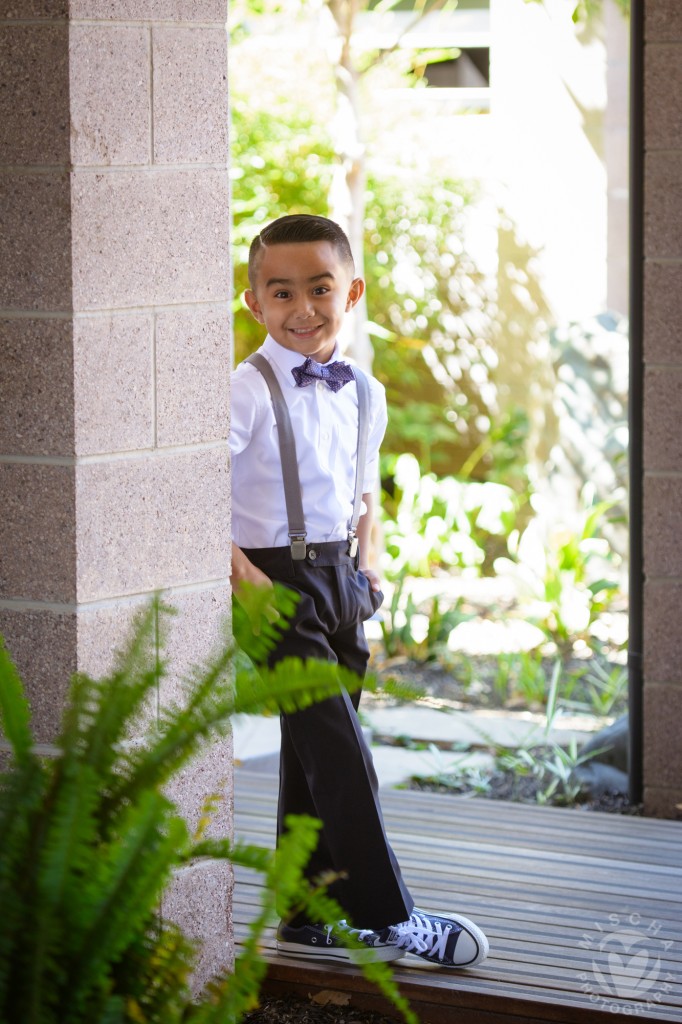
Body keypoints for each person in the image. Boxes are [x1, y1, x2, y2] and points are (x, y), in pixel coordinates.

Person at [229, 214, 489, 969]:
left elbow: (361, 487)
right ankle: (392, 914)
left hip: (341, 580)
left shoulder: (365, 390)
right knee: (342, 751)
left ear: (353, 292)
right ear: (255, 303)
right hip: (270, 583)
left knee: (313, 750)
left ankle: (308, 910)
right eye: (282, 293)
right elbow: (191, 489)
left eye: (320, 288)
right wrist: (246, 582)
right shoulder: (244, 392)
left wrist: (368, 570)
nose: (303, 308)